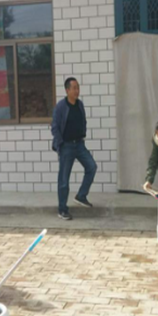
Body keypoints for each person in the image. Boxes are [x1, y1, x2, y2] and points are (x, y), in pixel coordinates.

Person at [51, 78, 98, 221]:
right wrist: (60, 143)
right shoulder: (61, 107)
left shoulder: (80, 104)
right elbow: (54, 127)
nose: (77, 91)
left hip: (79, 144)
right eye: (74, 88)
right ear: (67, 90)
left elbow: (83, 121)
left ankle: (81, 195)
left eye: (78, 87)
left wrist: (82, 134)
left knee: (92, 167)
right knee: (64, 179)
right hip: (66, 146)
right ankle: (62, 209)